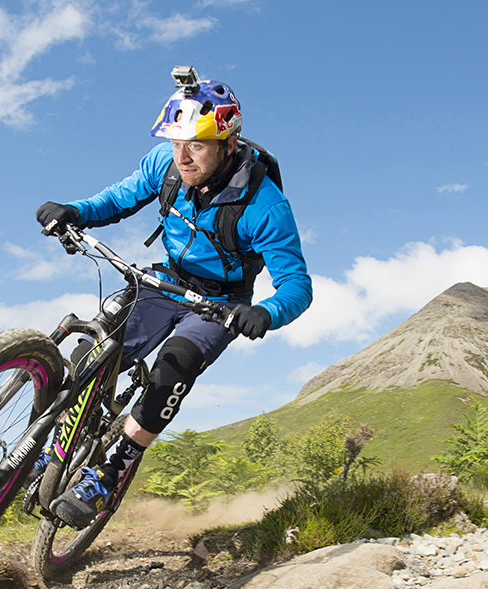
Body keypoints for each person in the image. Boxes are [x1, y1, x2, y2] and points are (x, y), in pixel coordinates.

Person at [35, 67, 312, 529]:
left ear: (228, 144)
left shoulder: (265, 205)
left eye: (196, 146)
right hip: (165, 280)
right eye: (176, 142)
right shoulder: (165, 164)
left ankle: (110, 471)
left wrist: (264, 311)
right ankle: (53, 449)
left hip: (220, 301)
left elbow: (297, 286)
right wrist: (76, 210)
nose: (182, 158)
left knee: (175, 365)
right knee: (94, 348)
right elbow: (119, 198)